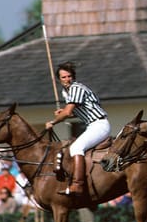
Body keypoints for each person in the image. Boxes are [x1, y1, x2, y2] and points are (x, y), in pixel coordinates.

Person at [44, 62, 111, 196]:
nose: (67, 79)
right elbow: (78, 111)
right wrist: (64, 112)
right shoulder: (66, 92)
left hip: (99, 125)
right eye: (63, 77)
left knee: (76, 148)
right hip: (92, 125)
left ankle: (77, 185)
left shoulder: (76, 88)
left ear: (73, 77)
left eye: (69, 76)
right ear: (59, 79)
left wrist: (53, 121)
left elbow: (68, 112)